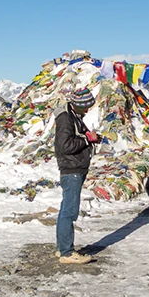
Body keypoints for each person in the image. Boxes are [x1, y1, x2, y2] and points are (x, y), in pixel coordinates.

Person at [54, 87, 99, 264]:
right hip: (71, 169)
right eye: (85, 107)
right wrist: (88, 140)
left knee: (66, 209)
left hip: (74, 168)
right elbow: (64, 145)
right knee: (70, 211)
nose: (87, 110)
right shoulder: (66, 119)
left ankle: (62, 248)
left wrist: (90, 137)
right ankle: (67, 253)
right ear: (79, 105)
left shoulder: (73, 116)